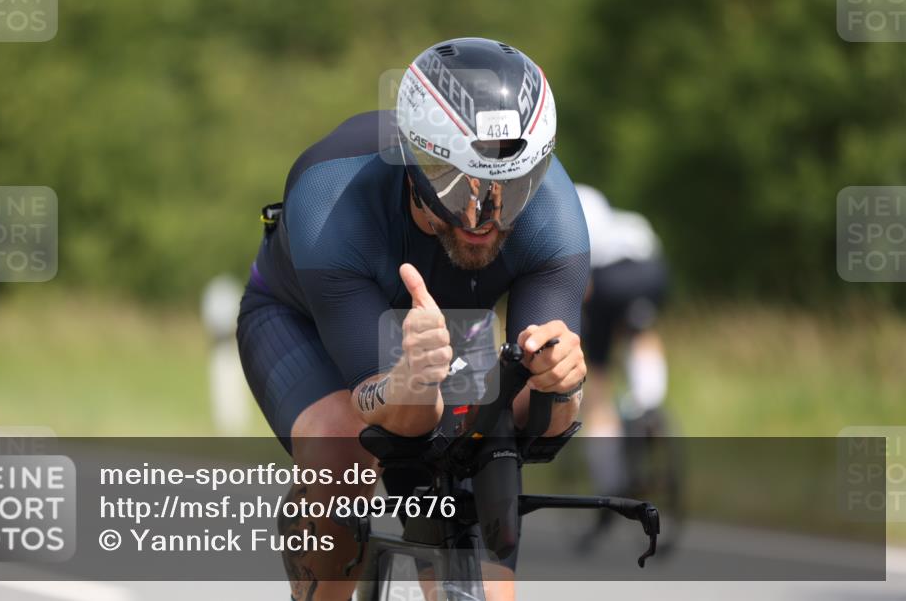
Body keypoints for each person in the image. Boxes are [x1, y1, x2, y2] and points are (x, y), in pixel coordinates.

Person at [236, 37, 590, 601]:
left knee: (485, 452)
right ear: (414, 162)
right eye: (456, 184)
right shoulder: (331, 199)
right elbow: (386, 408)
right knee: (341, 447)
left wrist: (562, 383)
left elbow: (540, 424)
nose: (484, 217)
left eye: (511, 189)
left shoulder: (555, 217)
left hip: (447, 325)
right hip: (302, 320)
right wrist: (412, 382)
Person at [574, 184, 670, 499]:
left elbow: (582, 277)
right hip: (650, 273)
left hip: (604, 280)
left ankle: (609, 479)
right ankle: (647, 403)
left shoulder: (569, 205)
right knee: (641, 331)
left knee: (597, 380)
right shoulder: (625, 219)